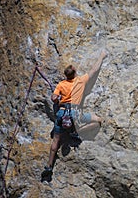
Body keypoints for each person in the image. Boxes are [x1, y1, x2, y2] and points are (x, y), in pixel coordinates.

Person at [41, 50, 108, 182]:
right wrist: (102, 56)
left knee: (55, 141)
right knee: (98, 121)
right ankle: (76, 133)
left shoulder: (61, 84)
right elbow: (94, 70)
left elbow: (54, 97)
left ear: (66, 75)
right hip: (76, 114)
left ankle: (49, 168)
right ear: (75, 73)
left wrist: (55, 98)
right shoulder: (80, 81)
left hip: (61, 113)